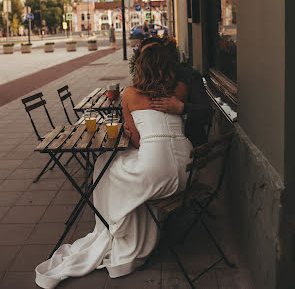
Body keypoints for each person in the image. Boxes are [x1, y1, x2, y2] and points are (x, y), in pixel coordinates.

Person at [35, 45, 193, 288]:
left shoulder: (130, 94)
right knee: (121, 167)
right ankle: (128, 220)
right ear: (168, 65)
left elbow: (139, 142)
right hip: (186, 170)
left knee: (104, 165)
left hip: (157, 174)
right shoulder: (181, 90)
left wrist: (133, 134)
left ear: (140, 66)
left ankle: (113, 226)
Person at [127, 37, 213, 146]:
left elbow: (207, 114)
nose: (153, 57)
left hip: (191, 145)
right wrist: (131, 125)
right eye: (147, 54)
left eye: (156, 51)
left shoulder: (189, 77)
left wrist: (182, 108)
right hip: (152, 146)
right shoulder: (140, 85)